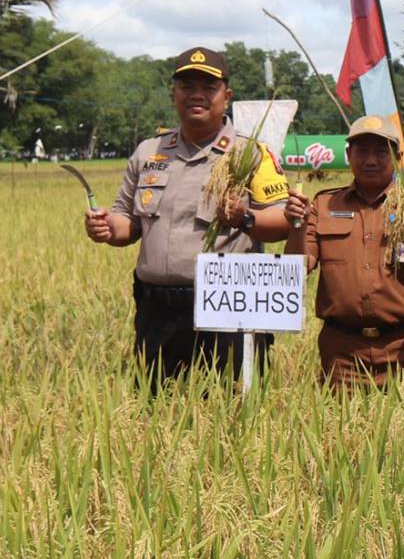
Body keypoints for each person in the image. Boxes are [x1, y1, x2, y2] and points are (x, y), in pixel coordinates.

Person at [84, 46, 292, 385]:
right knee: (154, 411)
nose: (197, 95)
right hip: (158, 308)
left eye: (208, 87)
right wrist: (106, 228)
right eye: (186, 86)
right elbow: (127, 221)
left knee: (229, 411)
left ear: (227, 95)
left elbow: (283, 221)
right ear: (173, 94)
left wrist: (244, 217)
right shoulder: (149, 152)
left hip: (227, 305)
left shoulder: (251, 154)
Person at [284, 116, 404, 387]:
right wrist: (296, 225)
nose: (371, 160)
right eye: (362, 151)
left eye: (381, 151)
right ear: (349, 155)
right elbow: (298, 266)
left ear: (398, 156)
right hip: (342, 353)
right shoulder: (324, 204)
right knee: (337, 429)